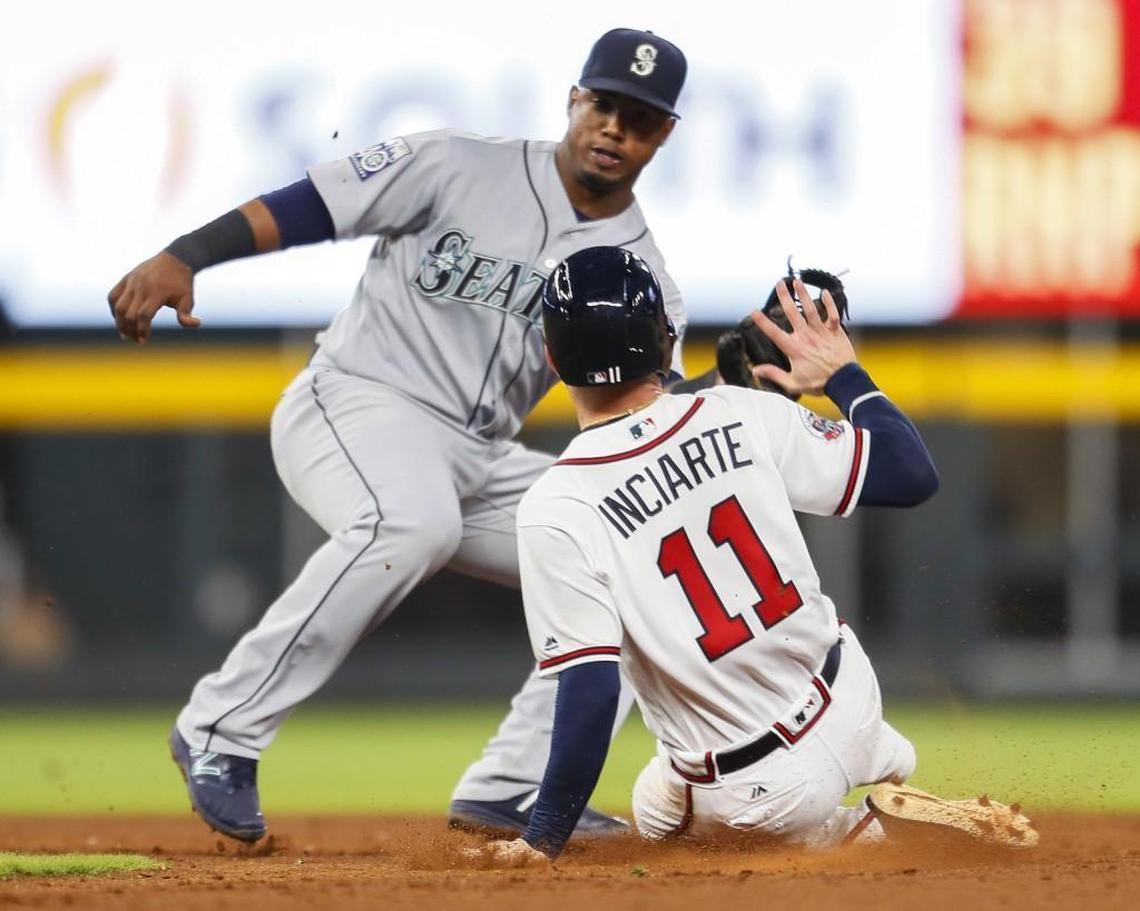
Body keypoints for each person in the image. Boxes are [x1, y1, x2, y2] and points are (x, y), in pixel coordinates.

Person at [108, 28, 690, 843]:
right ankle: (220, 728)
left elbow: (652, 406)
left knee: (638, 555)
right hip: (355, 401)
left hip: (478, 453)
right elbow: (313, 204)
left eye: (637, 118)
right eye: (603, 105)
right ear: (574, 100)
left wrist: (741, 389)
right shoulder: (458, 163)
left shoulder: (645, 273)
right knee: (412, 520)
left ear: (663, 134)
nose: (612, 128)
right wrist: (185, 255)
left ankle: (513, 786)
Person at [472, 246, 1037, 864]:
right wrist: (843, 373)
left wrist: (542, 838)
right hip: (850, 700)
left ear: (551, 359)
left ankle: (867, 834)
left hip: (756, 787)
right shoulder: (741, 411)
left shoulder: (556, 503)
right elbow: (910, 474)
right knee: (655, 802)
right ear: (666, 343)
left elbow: (590, 691)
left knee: (668, 829)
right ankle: (863, 784)